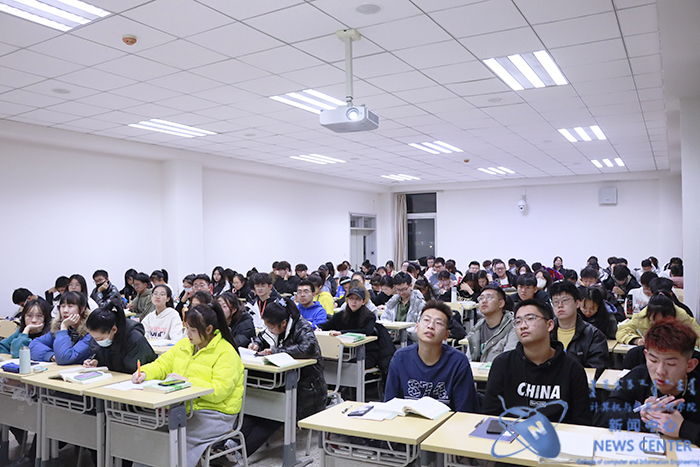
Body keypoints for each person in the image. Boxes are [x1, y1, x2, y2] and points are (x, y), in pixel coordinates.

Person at [132, 303, 244, 467]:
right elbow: (163, 365)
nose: (187, 333)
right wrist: (144, 373)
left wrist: (187, 382)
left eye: (192, 330)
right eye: (187, 328)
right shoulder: (185, 345)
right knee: (151, 436)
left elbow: (220, 391)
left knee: (176, 440)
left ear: (208, 329)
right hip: (186, 409)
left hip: (215, 414)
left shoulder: (226, 352)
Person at [482, 299, 593, 425]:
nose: (523, 326)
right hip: (511, 432)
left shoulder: (572, 368)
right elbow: (490, 414)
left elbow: (581, 421)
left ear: (549, 325)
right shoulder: (502, 364)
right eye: (518, 321)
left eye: (530, 319)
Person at [594, 318, 700, 444]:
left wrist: (683, 428)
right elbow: (601, 417)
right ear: (646, 355)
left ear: (690, 365)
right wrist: (642, 417)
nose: (660, 371)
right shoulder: (638, 377)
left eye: (671, 364)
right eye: (653, 360)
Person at [244, 299, 326, 455]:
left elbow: (307, 348)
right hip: (281, 381)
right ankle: (232, 444)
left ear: (283, 323)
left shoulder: (302, 327)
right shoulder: (276, 325)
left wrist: (276, 351)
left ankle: (241, 452)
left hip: (306, 387)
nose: (269, 328)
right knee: (254, 409)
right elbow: (263, 336)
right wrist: (256, 344)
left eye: (271, 326)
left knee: (273, 414)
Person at [384, 300, 479, 412]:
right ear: (416, 327)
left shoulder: (458, 362)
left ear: (446, 335)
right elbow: (390, 404)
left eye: (438, 323)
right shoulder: (400, 358)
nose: (430, 326)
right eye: (426, 320)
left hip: (447, 422)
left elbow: (464, 411)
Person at [320, 286, 393, 378]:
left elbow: (367, 331)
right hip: (344, 352)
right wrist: (319, 329)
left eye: (357, 299)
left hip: (366, 353)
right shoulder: (340, 315)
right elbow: (326, 326)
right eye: (351, 299)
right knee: (328, 362)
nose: (353, 302)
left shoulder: (369, 316)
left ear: (363, 301)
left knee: (349, 365)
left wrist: (342, 333)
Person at [84, 300, 157, 373]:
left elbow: (131, 370)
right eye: (94, 338)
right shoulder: (103, 334)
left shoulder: (135, 340)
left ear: (114, 330)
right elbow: (101, 354)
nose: (97, 341)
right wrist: (96, 361)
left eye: (99, 338)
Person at [549, 280, 608, 370]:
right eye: (556, 302)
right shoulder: (545, 332)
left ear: (577, 304)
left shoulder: (594, 335)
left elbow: (596, 369)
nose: (560, 305)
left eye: (565, 300)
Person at [29, 291, 92, 364]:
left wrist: (64, 327)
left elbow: (64, 358)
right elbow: (33, 345)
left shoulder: (91, 331)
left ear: (82, 309)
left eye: (70, 306)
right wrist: (51, 356)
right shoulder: (58, 327)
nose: (65, 310)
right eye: (62, 306)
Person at [617, 294, 700, 346]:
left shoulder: (682, 317)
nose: (659, 325)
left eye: (663, 321)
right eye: (654, 321)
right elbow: (622, 331)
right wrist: (637, 340)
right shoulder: (642, 317)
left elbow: (698, 337)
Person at [465, 285, 517, 363]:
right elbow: (469, 359)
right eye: (481, 298)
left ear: (501, 303)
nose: (484, 301)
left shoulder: (513, 326)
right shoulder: (477, 328)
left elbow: (508, 361)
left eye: (489, 297)